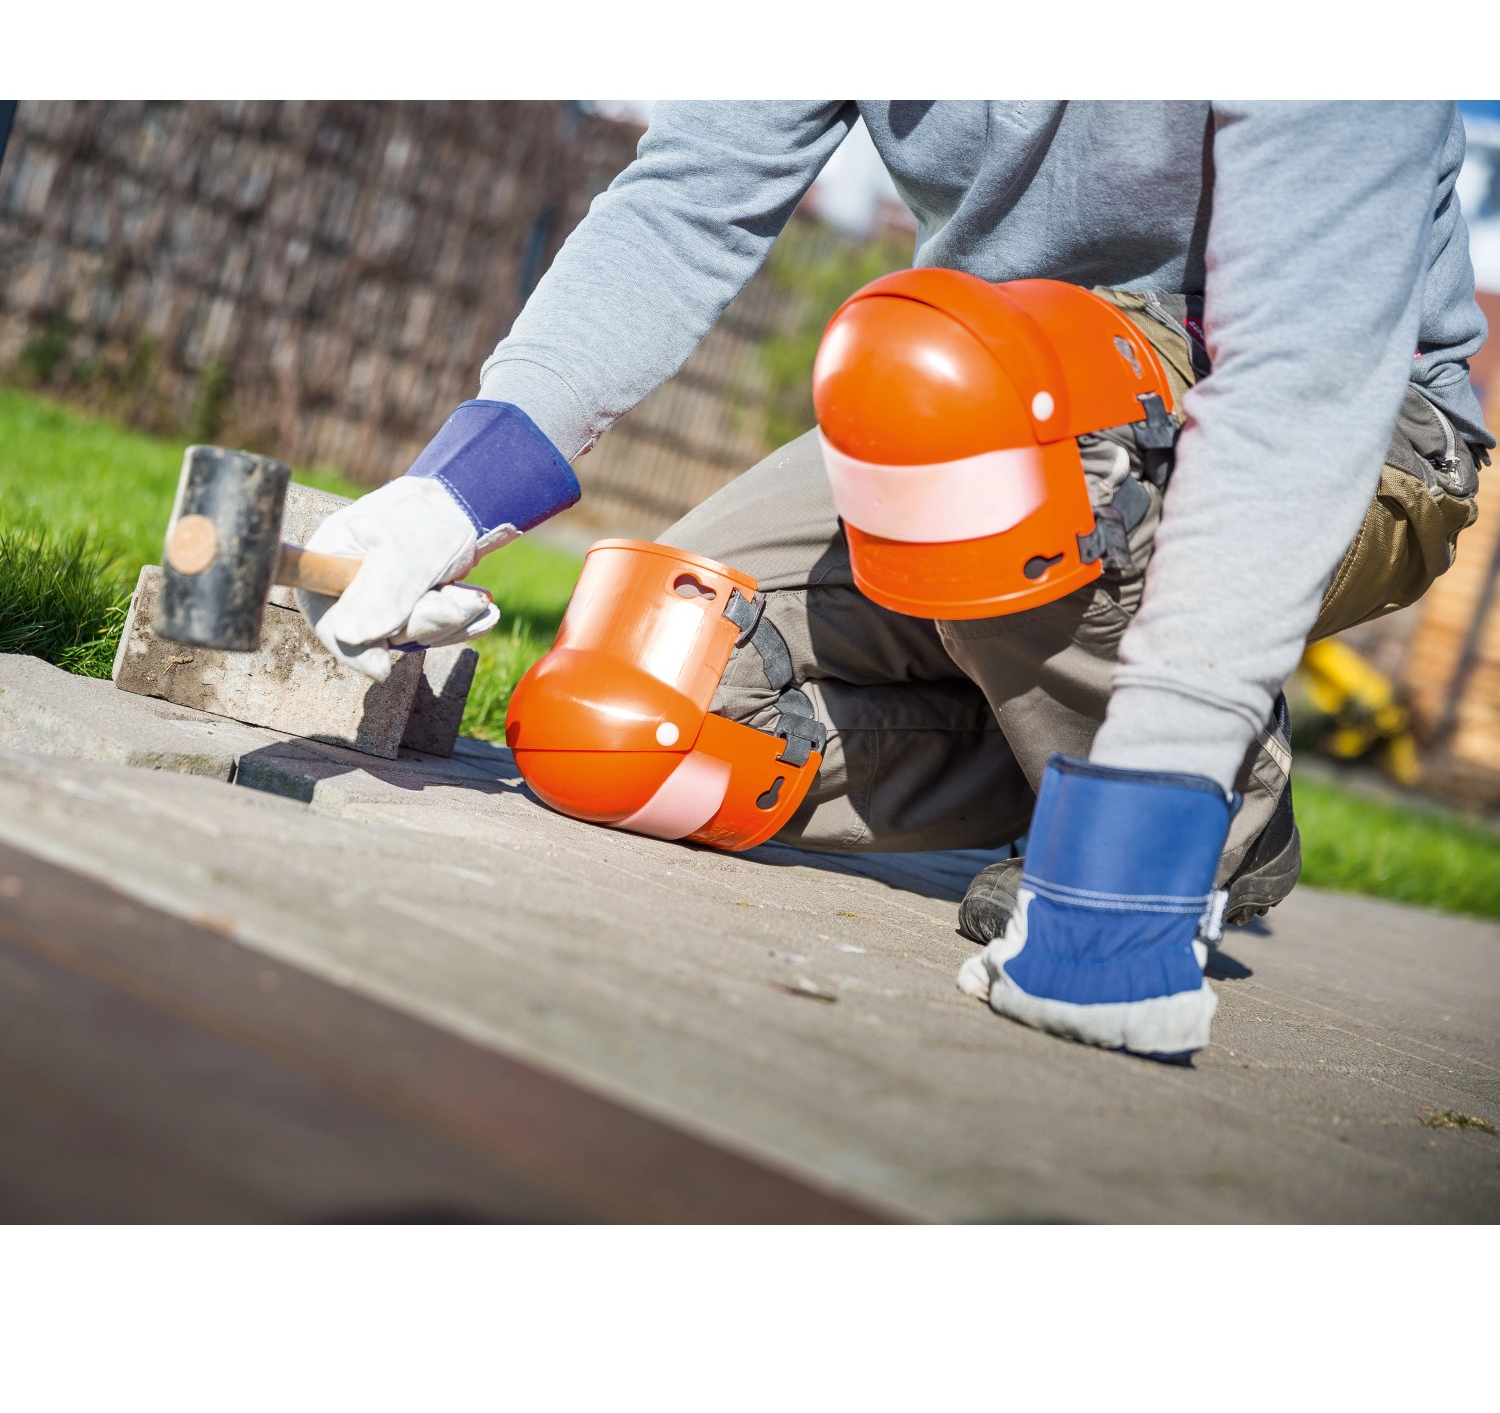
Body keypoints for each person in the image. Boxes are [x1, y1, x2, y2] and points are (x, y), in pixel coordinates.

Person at [297, 102, 1489, 1061]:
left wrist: (1141, 832)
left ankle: (1177, 805)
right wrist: (452, 498)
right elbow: (686, 202)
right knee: (629, 715)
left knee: (969, 399)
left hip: (1349, 426)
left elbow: (1302, 372)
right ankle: (1096, 761)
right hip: (998, 389)